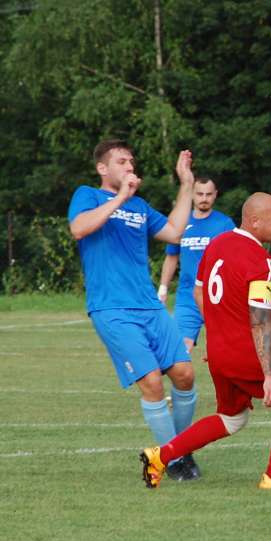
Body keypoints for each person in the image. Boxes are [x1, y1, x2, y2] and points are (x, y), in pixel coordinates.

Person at [140, 192, 271, 490]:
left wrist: (218, 337)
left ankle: (161, 455)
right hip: (247, 352)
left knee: (232, 418)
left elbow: (198, 294)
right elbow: (260, 322)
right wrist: (270, 376)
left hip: (220, 351)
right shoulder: (261, 261)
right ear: (254, 222)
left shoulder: (217, 243)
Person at [68, 139, 200, 481]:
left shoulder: (140, 206)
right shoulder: (88, 195)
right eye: (122, 161)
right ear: (103, 168)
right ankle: (173, 460)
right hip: (112, 308)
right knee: (153, 382)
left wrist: (186, 184)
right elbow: (78, 228)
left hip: (149, 306)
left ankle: (180, 449)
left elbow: (173, 232)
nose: (130, 166)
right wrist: (120, 198)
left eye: (131, 162)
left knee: (185, 374)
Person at [158, 176, 235, 352]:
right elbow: (171, 257)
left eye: (208, 194)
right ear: (192, 195)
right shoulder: (181, 224)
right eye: (200, 194)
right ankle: (185, 381)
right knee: (179, 350)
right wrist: (163, 289)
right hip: (187, 297)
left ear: (215, 195)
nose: (204, 198)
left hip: (217, 297)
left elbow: (234, 261)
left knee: (226, 349)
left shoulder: (225, 224)